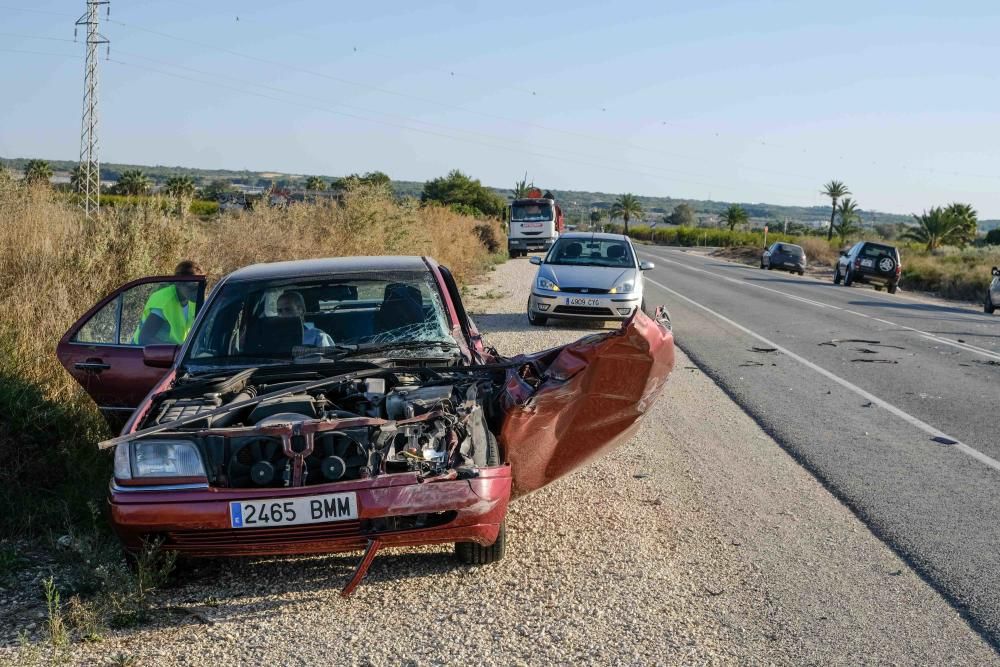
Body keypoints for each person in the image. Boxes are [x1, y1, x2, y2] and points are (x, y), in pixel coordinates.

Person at [134, 260, 202, 345]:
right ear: (178, 283)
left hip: (173, 353)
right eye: (192, 288)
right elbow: (144, 338)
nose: (197, 292)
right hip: (142, 352)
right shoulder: (164, 301)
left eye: (199, 287)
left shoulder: (193, 299)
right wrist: (176, 350)